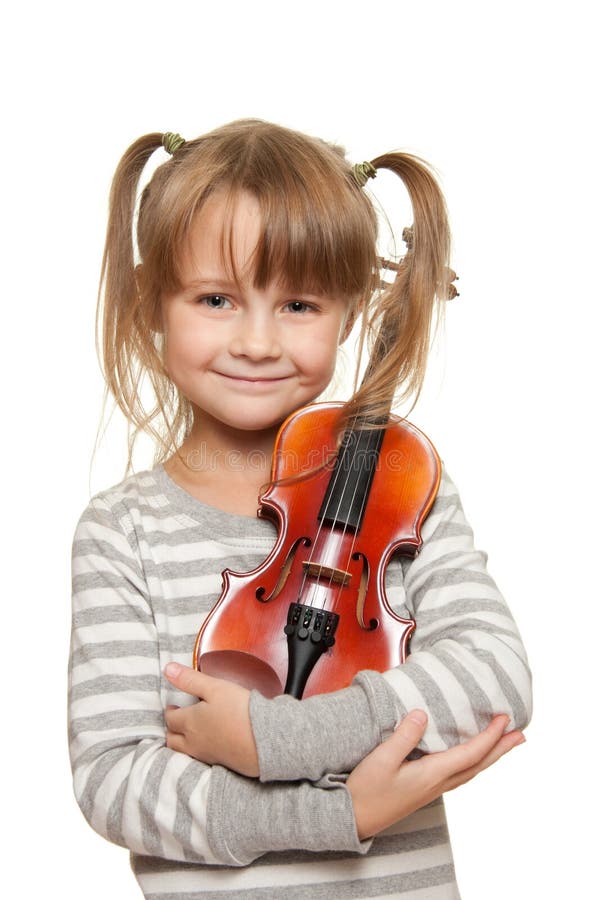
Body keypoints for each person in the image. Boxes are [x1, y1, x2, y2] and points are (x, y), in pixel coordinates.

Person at [69, 120, 532, 899]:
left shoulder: (399, 487)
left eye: (298, 304)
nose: (256, 340)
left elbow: (495, 674)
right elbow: (114, 781)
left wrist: (279, 740)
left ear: (350, 311)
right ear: (152, 303)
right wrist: (333, 812)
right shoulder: (122, 534)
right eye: (216, 298)